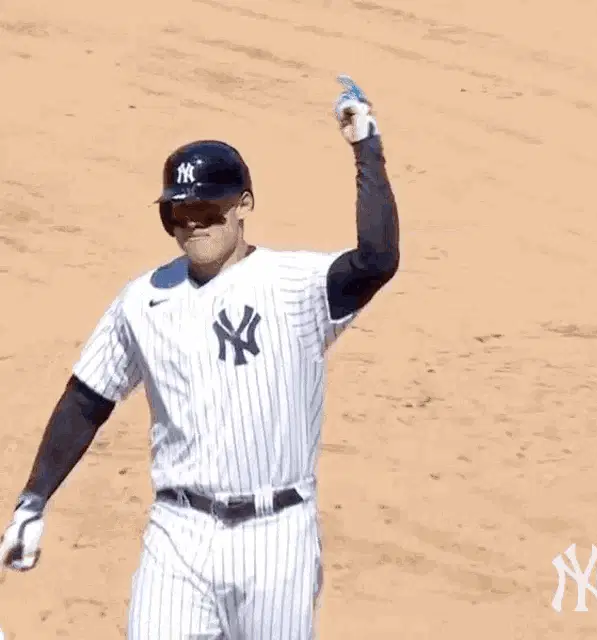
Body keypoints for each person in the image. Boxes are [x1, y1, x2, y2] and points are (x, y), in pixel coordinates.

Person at [0, 75, 400, 639]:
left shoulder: (295, 284)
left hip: (276, 537)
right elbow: (87, 398)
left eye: (208, 210)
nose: (192, 224)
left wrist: (366, 148)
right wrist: (33, 498)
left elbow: (378, 260)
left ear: (244, 206)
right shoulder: (143, 299)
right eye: (178, 212)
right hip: (178, 534)